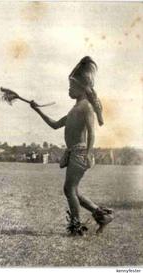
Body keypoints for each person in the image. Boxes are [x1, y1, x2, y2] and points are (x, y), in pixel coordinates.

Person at [29, 56, 114, 235]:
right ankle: (102, 216)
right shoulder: (74, 109)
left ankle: (76, 227)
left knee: (69, 189)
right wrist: (38, 110)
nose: (69, 88)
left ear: (82, 88)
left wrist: (89, 154)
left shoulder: (86, 108)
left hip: (80, 153)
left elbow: (92, 132)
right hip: (75, 153)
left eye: (71, 85)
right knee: (72, 190)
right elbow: (54, 124)